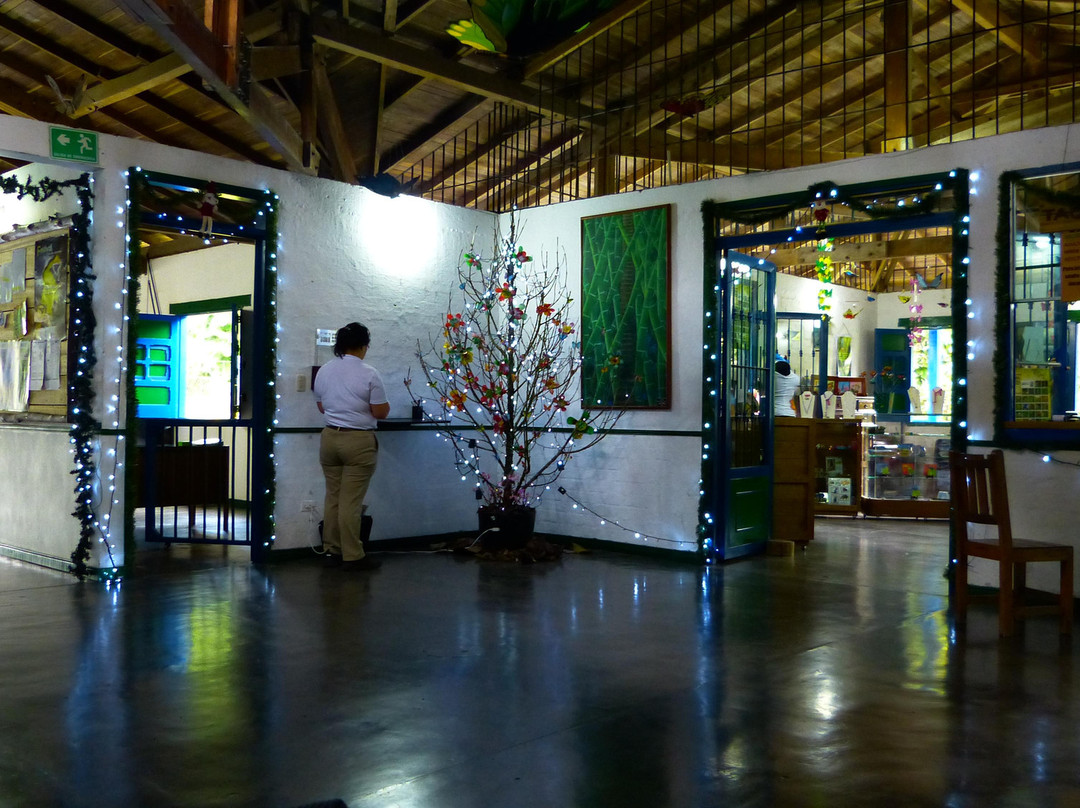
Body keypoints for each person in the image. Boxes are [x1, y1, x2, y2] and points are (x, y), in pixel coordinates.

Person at [313, 322, 390, 570]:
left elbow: (321, 406)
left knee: (333, 496)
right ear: (363, 346)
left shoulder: (324, 370)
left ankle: (331, 549)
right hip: (358, 441)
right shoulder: (369, 373)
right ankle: (353, 555)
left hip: (329, 438)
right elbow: (381, 412)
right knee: (351, 502)